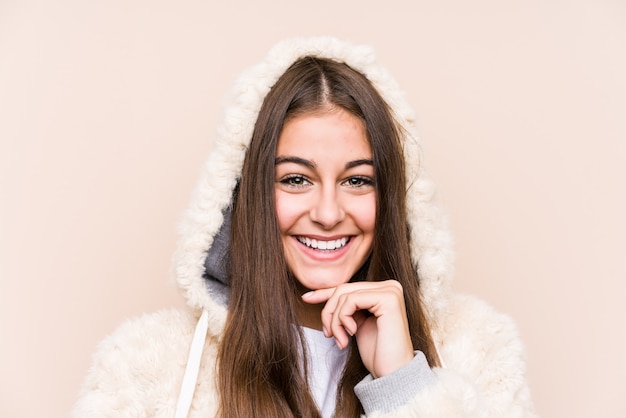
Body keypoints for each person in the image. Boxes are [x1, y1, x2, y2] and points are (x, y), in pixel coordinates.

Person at [74, 37, 537, 417]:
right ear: (251, 195)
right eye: (296, 179)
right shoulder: (146, 369)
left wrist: (402, 388)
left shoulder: (477, 350)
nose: (329, 212)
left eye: (358, 180)